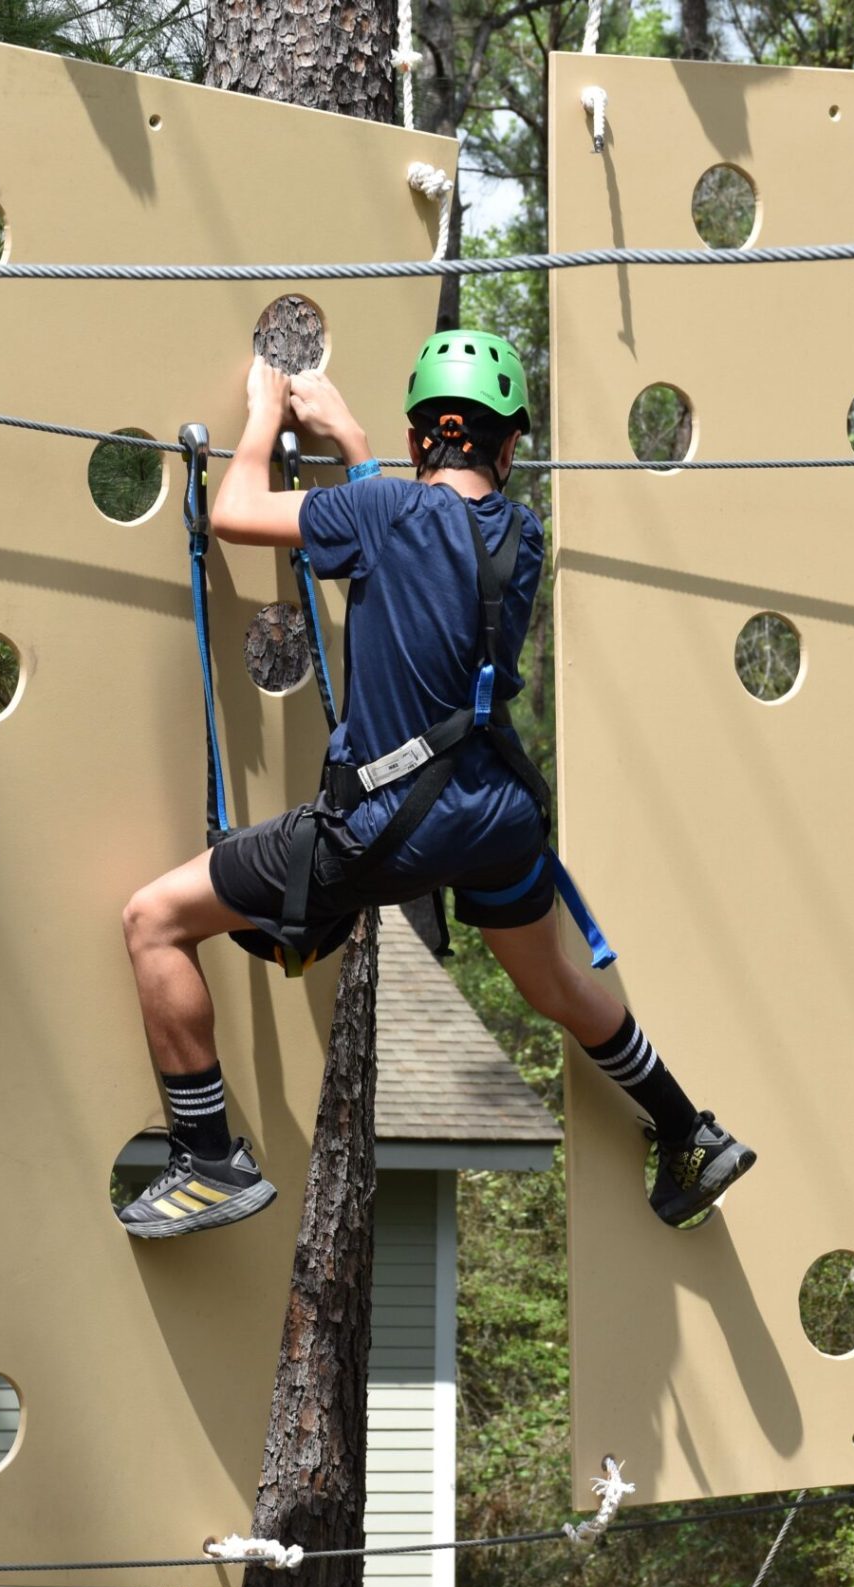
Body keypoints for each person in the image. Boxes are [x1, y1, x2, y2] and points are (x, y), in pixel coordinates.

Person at [117, 329, 754, 1238]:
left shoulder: (379, 511)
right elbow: (435, 537)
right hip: (496, 821)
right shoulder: (522, 539)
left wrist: (264, 419)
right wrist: (357, 451)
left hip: (386, 831)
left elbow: (237, 510)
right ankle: (690, 1131)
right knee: (558, 985)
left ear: (421, 442)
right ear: (510, 447)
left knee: (153, 922)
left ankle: (209, 1157)